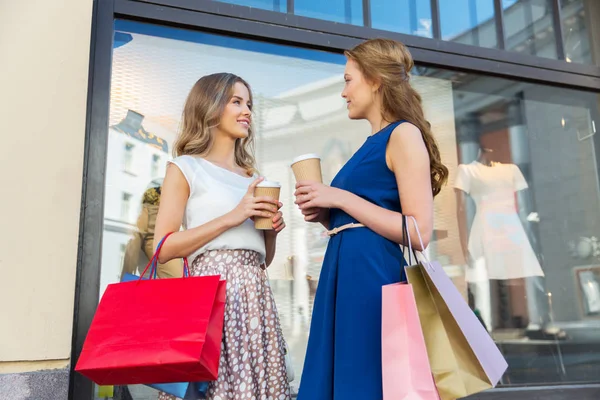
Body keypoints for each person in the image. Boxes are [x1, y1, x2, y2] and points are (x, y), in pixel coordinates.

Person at [294, 38, 449, 399]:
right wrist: (325, 214)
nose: (343, 92)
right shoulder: (371, 142)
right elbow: (364, 217)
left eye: (348, 80)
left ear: (376, 80)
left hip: (371, 279)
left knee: (364, 378)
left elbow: (419, 231)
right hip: (345, 276)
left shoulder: (404, 134)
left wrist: (340, 196)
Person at [153, 73, 291, 400]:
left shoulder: (254, 177)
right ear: (211, 107)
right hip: (208, 297)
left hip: (255, 300)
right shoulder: (186, 168)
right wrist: (233, 217)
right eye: (237, 101)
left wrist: (269, 231)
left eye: (250, 104)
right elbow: (163, 248)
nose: (247, 112)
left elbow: (263, 259)